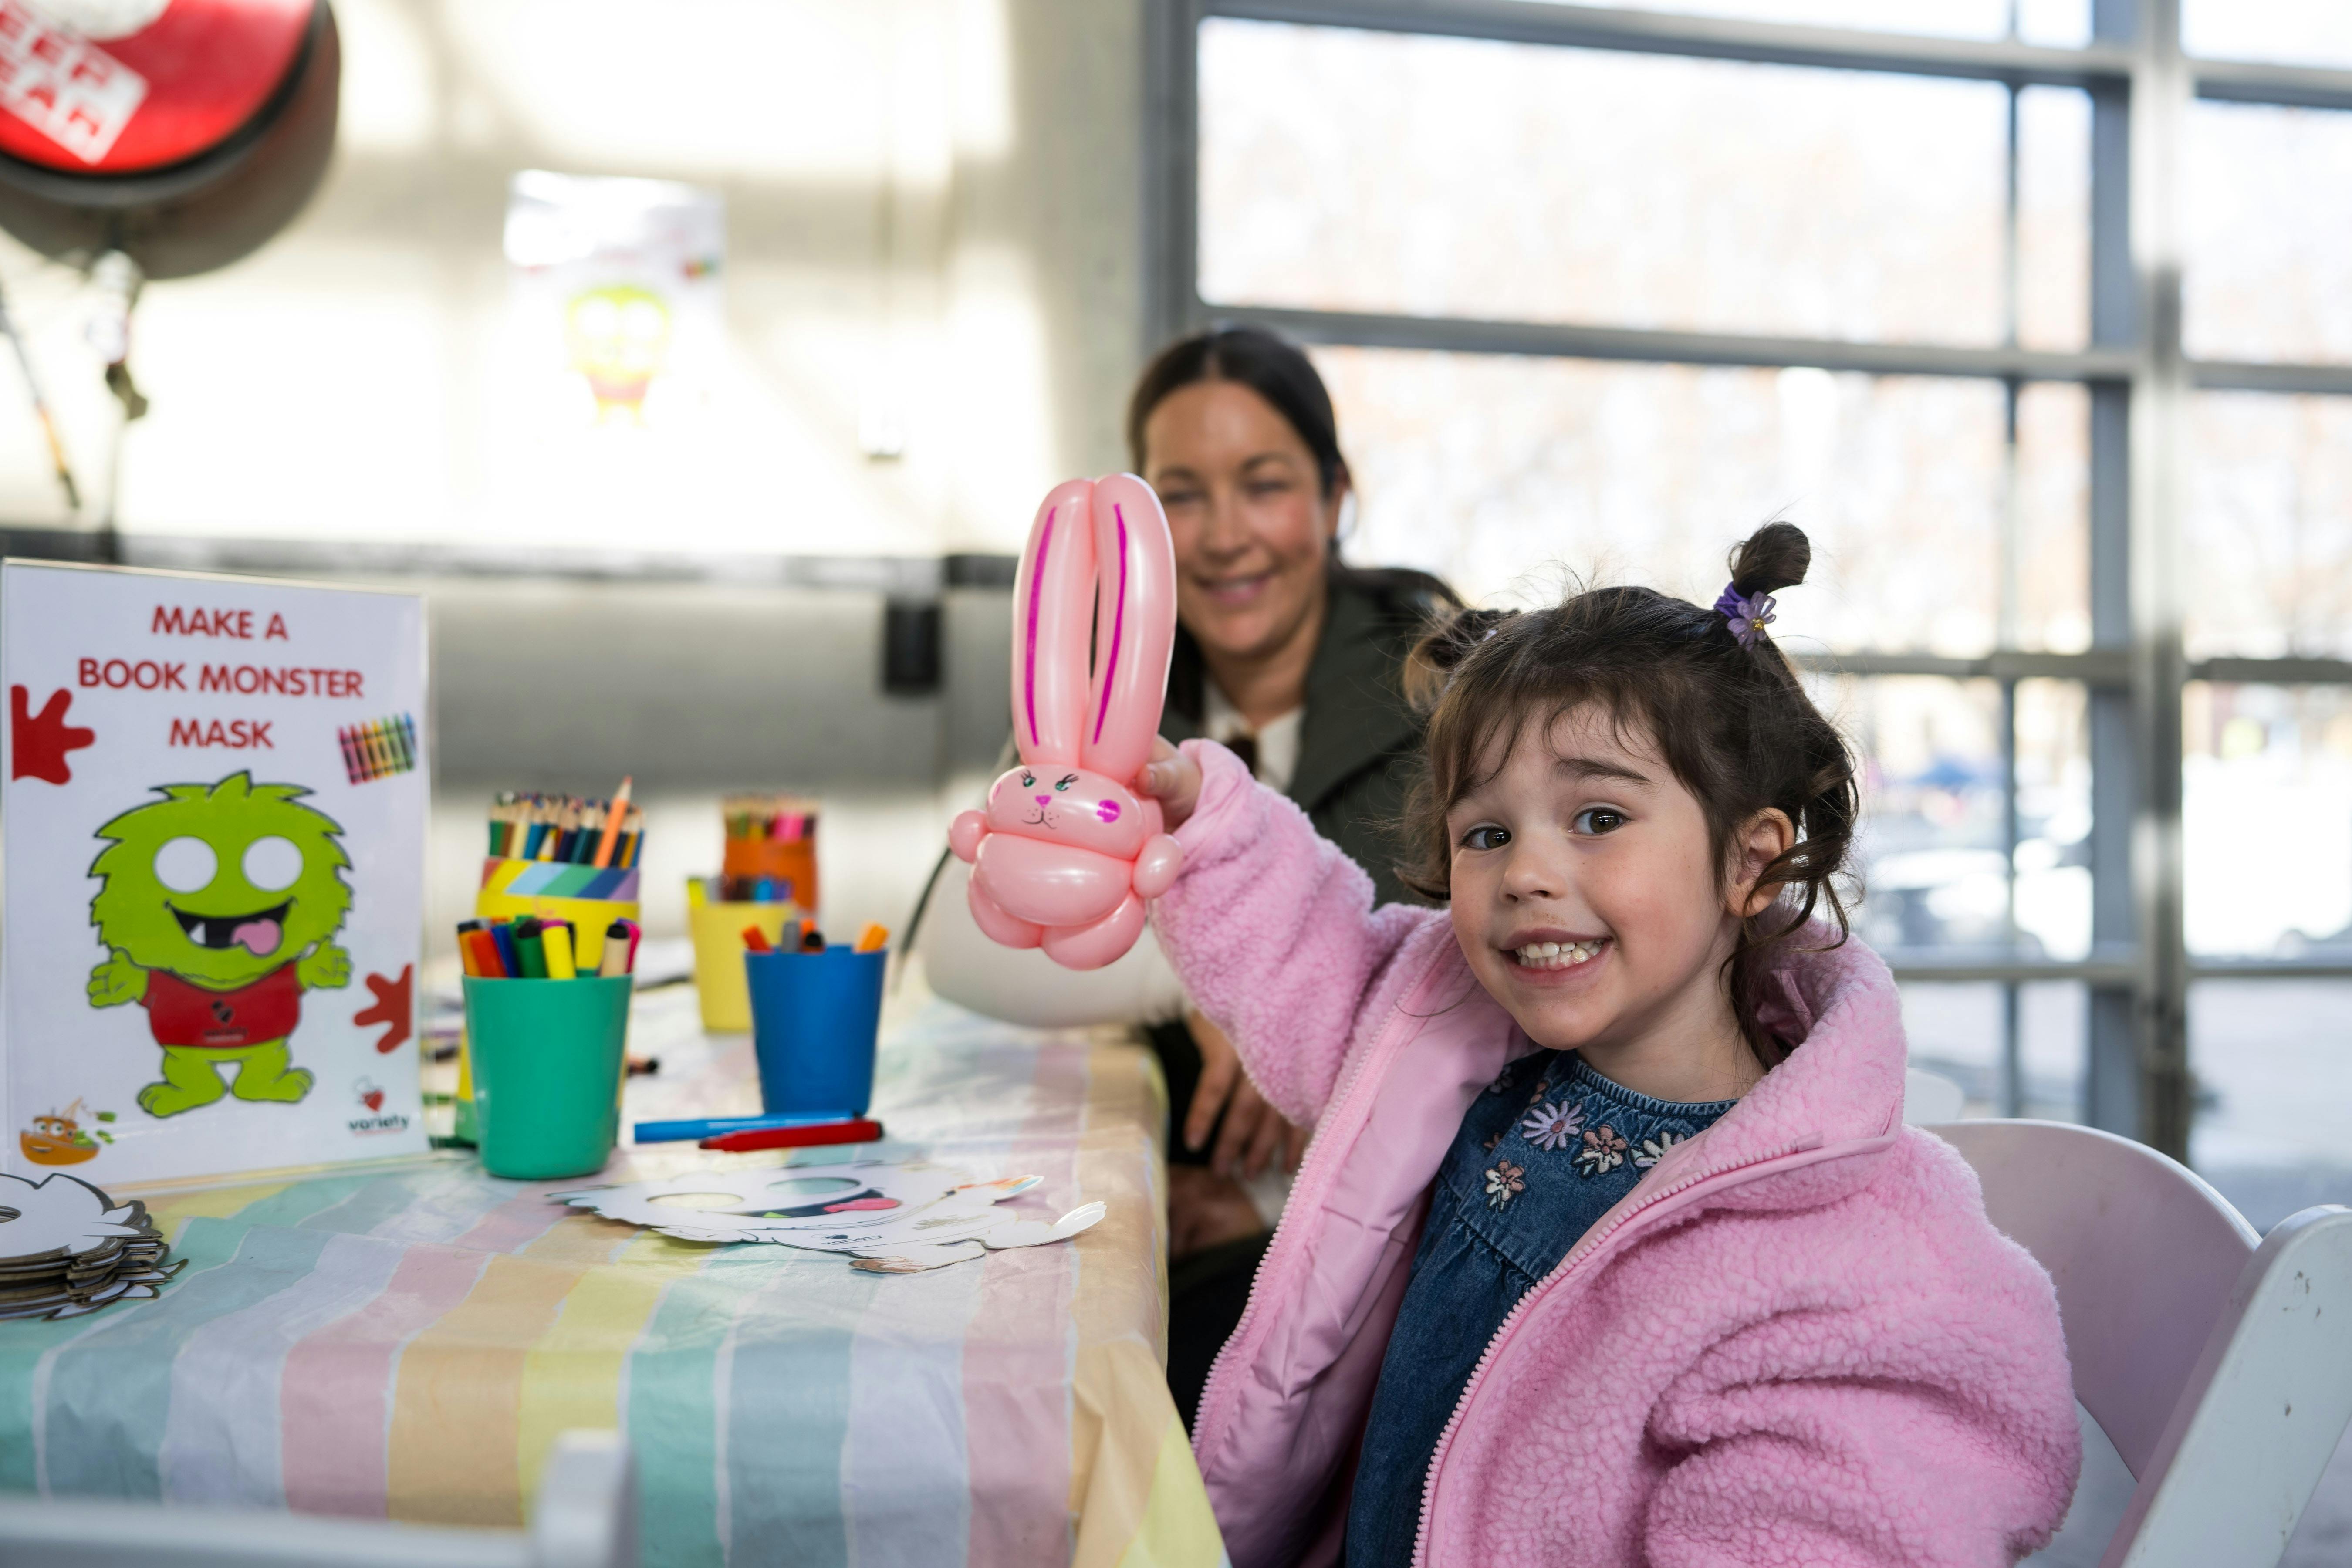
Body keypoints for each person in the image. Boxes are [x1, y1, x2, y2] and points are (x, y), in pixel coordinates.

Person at [1130, 523, 2081, 1566]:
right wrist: (1204, 829)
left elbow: (1848, 1510)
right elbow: (1320, 965)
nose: (1526, 871)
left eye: (1595, 816)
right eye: (1486, 833)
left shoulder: (1859, 1264)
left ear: (1750, 864)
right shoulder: (1460, 1054)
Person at [920, 327, 1456, 1421]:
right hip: (1167, 1200)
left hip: (1378, 1230)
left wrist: (1269, 1194)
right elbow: (963, 948)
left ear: (1335, 494)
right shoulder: (1112, 684)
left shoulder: (1438, 687)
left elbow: (1456, 996)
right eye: (1181, 498)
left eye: (1264, 486)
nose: (1222, 540)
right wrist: (1211, 981)